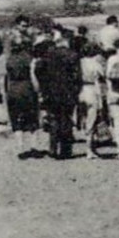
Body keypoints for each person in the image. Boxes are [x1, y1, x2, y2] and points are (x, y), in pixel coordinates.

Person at [36, 31, 84, 159]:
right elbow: (78, 77)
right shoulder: (73, 55)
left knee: (54, 119)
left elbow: (39, 70)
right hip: (68, 93)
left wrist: (44, 88)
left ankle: (53, 148)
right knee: (66, 120)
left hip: (51, 93)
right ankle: (66, 150)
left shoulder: (48, 55)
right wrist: (76, 91)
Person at [3, 37, 40, 154]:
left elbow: (7, 78)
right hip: (27, 89)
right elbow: (33, 76)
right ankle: (33, 146)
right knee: (32, 118)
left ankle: (20, 147)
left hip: (13, 90)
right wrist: (37, 90)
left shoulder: (9, 60)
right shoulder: (29, 59)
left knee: (16, 118)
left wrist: (7, 92)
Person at [78, 41, 106, 157]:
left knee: (84, 118)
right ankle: (89, 149)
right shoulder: (95, 63)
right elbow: (102, 75)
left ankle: (89, 145)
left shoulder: (79, 62)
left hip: (81, 90)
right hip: (92, 90)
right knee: (92, 119)